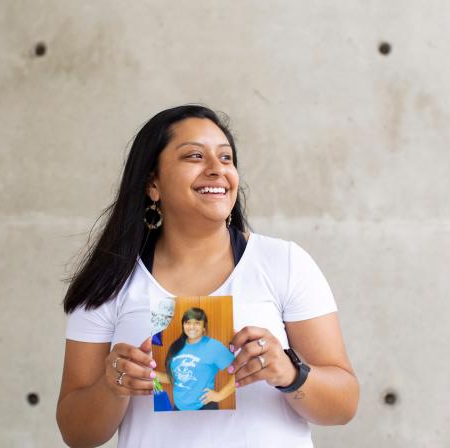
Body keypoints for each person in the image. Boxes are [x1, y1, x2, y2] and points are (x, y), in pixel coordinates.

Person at [56, 105, 359, 448]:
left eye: (227, 158)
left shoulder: (284, 263)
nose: (217, 170)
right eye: (195, 156)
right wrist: (111, 386)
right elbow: (76, 434)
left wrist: (289, 373)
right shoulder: (112, 280)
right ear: (152, 183)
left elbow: (344, 405)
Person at [155, 307, 235, 411]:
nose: (191, 327)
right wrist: (150, 374)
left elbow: (239, 370)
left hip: (204, 408)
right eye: (188, 322)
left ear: (204, 327)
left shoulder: (213, 346)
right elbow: (175, 378)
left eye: (197, 323)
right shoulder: (176, 346)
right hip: (178, 408)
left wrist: (220, 395)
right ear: (183, 326)